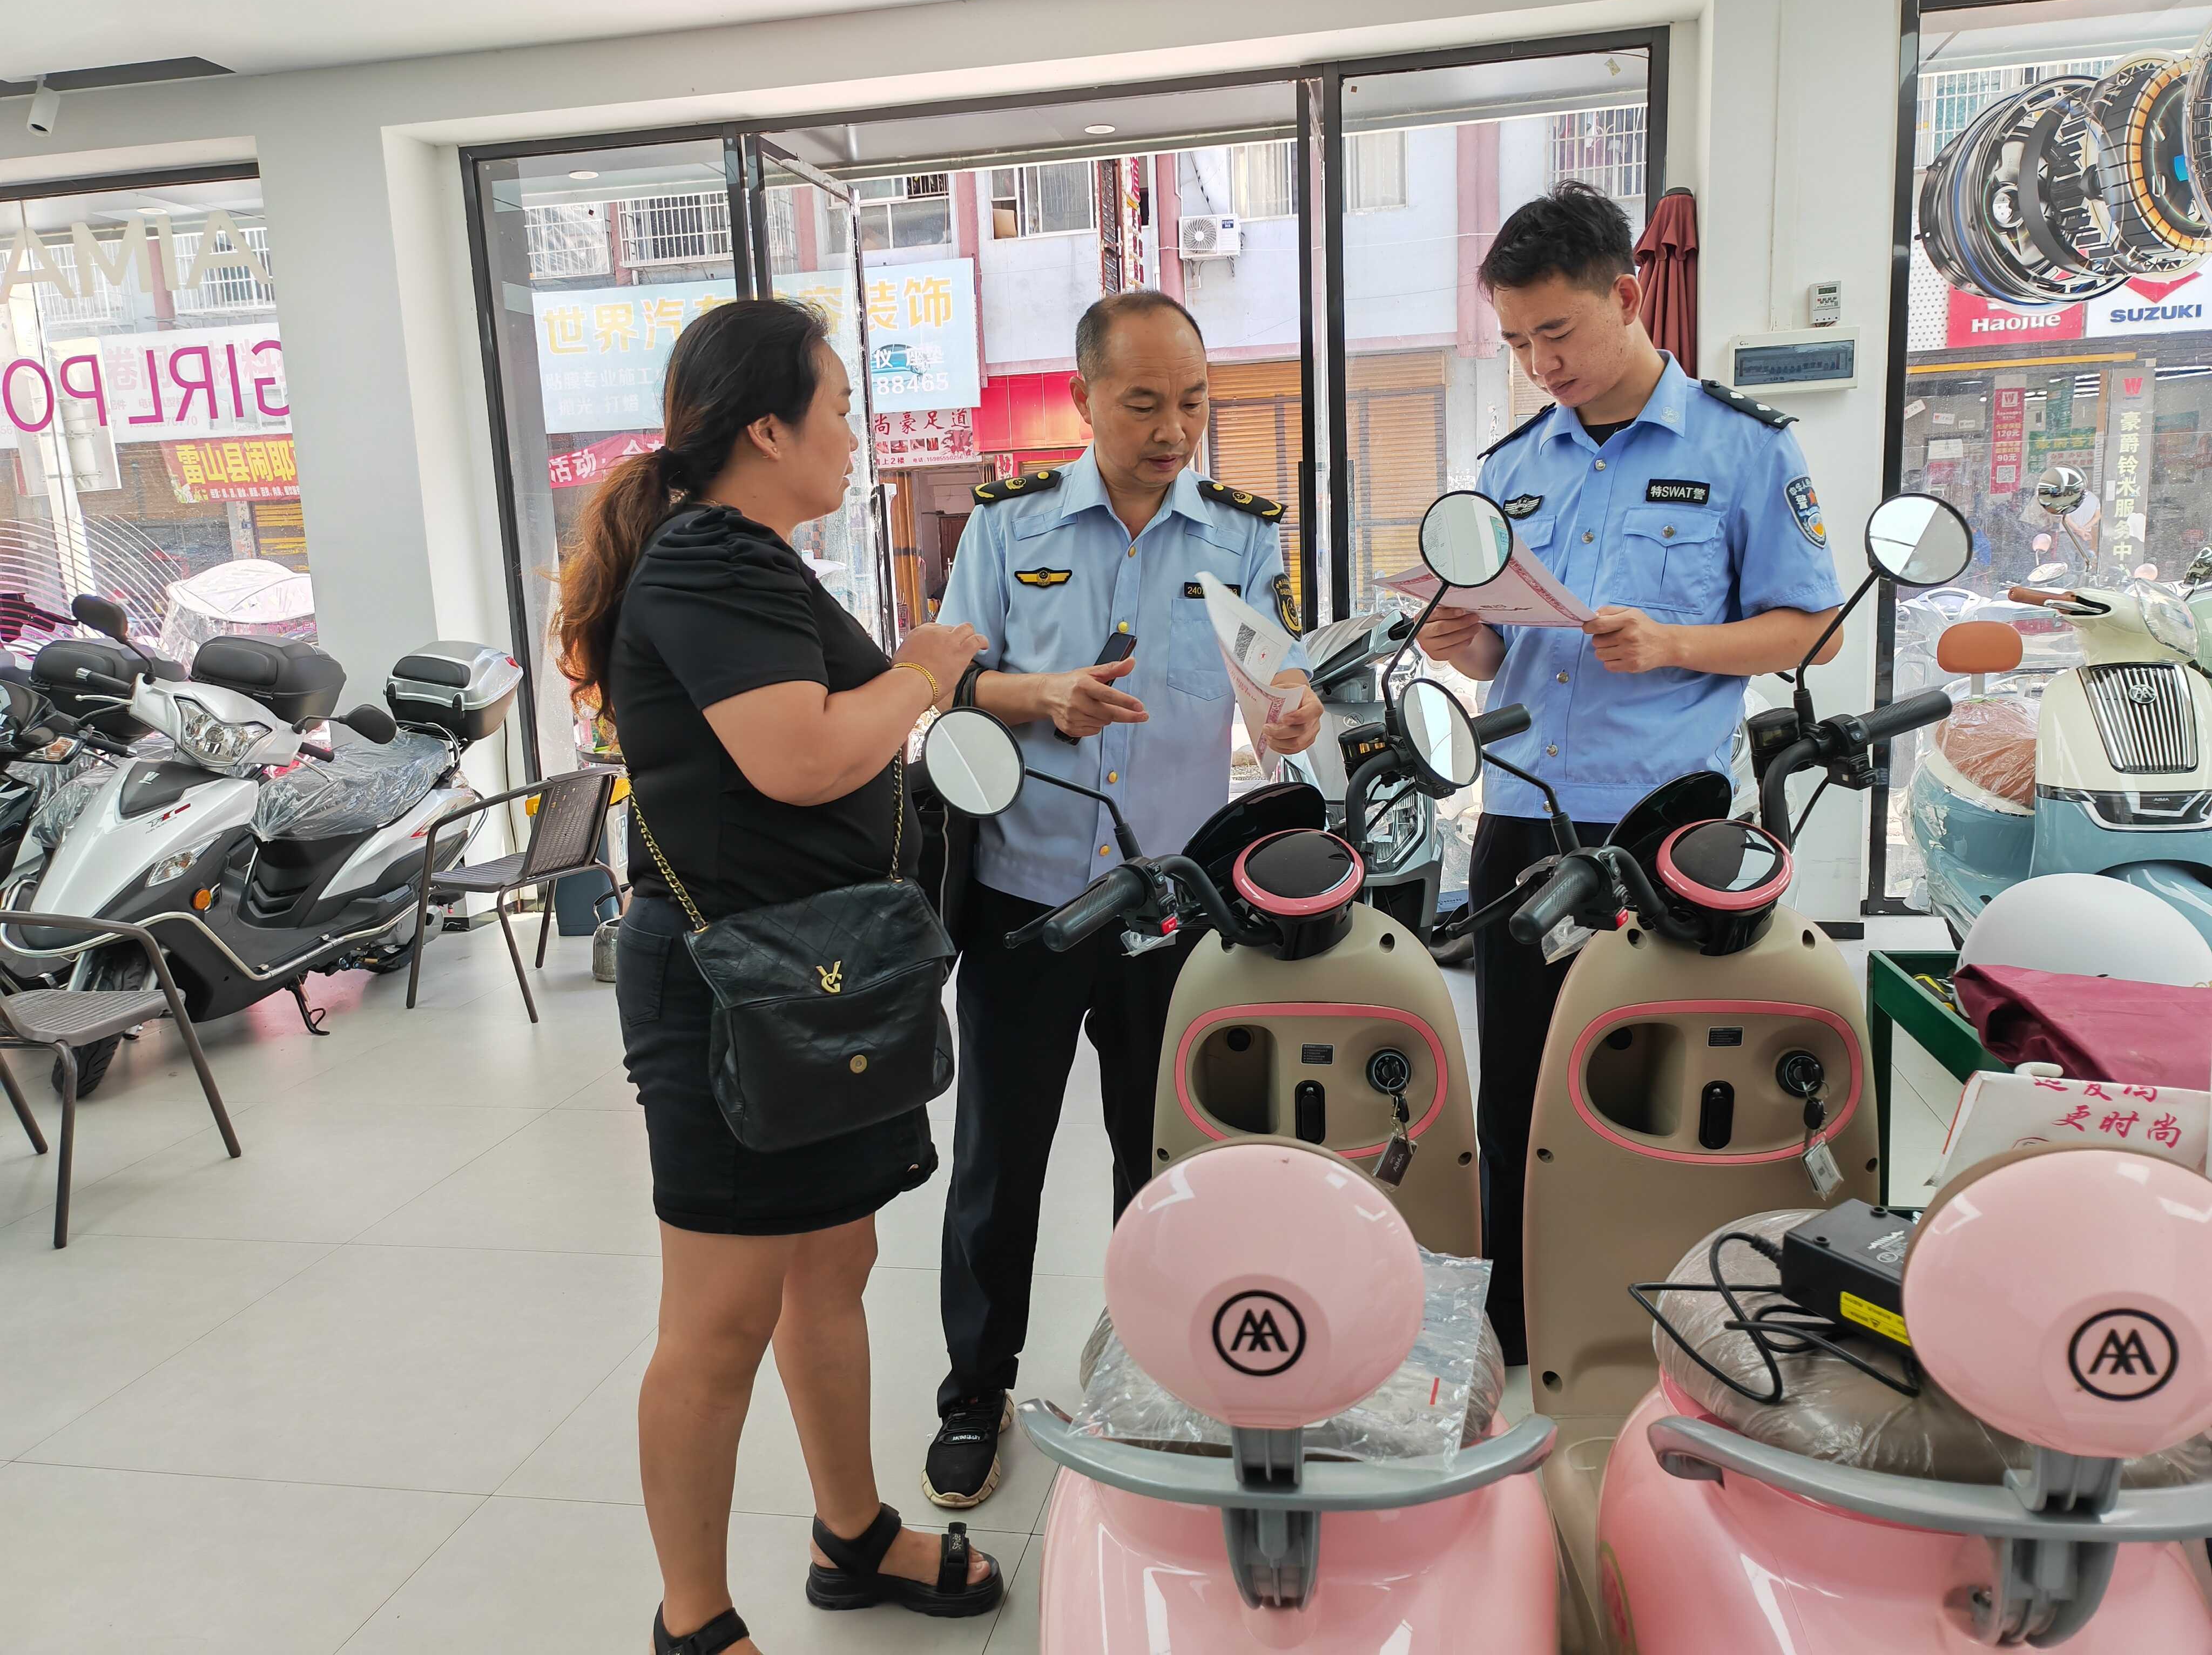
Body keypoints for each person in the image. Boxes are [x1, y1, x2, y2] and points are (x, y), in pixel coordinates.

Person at [555, 297, 1001, 1655]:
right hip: (732, 995)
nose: (857, 435)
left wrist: (972, 686)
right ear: (765, 426)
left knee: (833, 1266)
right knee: (721, 1314)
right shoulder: (710, 563)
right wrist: (927, 669)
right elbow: (804, 755)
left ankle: (850, 1531)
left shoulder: (751, 559)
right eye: (839, 404)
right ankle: (692, 1620)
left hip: (819, 984)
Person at [1418, 183, 1844, 1366]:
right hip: (1521, 822)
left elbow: (1812, 629)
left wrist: (1675, 645)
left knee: (1661, 1092)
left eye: (1555, 331)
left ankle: (1668, 1323)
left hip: (1665, 833)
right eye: (1513, 342)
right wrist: (1469, 643)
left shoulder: (1741, 447)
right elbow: (1503, 636)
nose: (1537, 362)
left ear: (1624, 294)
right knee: (1514, 1094)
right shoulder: (1511, 465)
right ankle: (1512, 1329)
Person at [923, 290, 1324, 1507]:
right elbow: (947, 679)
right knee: (1002, 1161)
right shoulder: (1007, 525)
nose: (1173, 428)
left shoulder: (1243, 536)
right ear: (1086, 395)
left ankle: (1155, 1377)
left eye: (1193, 401)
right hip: (1027, 898)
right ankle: (972, 1393)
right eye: (1144, 402)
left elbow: (1280, 670)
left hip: (1175, 901)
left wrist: (1295, 710)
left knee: (1162, 1163)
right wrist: (1036, 694)